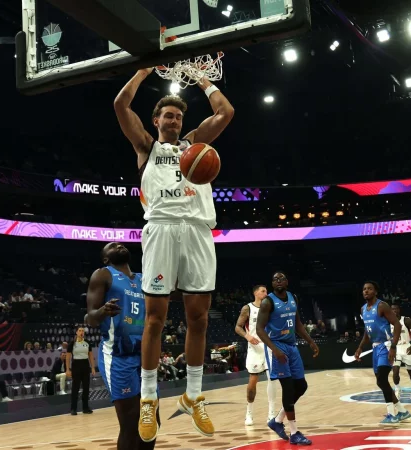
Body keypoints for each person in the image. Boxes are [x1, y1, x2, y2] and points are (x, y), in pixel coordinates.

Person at [114, 66, 235, 442]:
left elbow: (225, 113)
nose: (174, 119)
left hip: (199, 230)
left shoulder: (195, 143)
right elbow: (121, 104)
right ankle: (149, 399)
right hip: (162, 230)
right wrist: (143, 69)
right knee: (155, 319)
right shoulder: (146, 147)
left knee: (198, 318)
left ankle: (193, 394)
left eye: (179, 115)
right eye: (168, 115)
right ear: (156, 120)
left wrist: (201, 78)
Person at [84, 242, 159, 450]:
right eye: (112, 246)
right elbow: (89, 318)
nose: (118, 245)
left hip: (144, 357)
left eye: (120, 244)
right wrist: (103, 311)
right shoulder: (103, 274)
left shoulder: (145, 278)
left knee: (152, 422)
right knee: (131, 423)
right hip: (118, 355)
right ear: (106, 258)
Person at [255, 272, 319, 445]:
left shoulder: (293, 297)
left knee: (302, 386)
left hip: (291, 346)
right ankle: (294, 432)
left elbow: (297, 323)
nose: (278, 281)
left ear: (287, 282)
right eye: (275, 279)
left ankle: (277, 421)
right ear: (272, 283)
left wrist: (311, 341)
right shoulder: (268, 302)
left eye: (281, 278)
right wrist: (274, 349)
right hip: (277, 346)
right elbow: (259, 329)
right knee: (288, 389)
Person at [355, 281, 411, 424]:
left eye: (369, 289)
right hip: (375, 348)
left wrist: (393, 346)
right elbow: (368, 332)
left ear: (375, 292)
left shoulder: (382, 306)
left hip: (386, 346)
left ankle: (391, 415)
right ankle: (402, 411)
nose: (366, 291)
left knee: (381, 379)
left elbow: (397, 325)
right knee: (381, 382)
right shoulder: (363, 310)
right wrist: (360, 347)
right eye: (364, 289)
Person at [234, 284, 278, 426]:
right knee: (252, 383)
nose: (266, 293)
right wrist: (248, 337)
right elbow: (238, 327)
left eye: (266, 291)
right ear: (255, 293)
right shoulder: (248, 308)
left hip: (269, 347)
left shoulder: (271, 308)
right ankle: (249, 412)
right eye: (263, 291)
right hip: (254, 348)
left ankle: (271, 413)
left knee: (272, 380)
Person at [390, 304, 411, 400]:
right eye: (392, 309)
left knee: (410, 372)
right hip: (396, 348)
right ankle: (397, 389)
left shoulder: (406, 320)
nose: (394, 310)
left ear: (399, 309)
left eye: (396, 308)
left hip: (406, 346)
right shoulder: (388, 321)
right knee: (395, 371)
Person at [67, 326, 95, 415]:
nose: (81, 332)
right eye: (79, 331)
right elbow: (68, 357)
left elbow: (90, 356)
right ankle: (73, 409)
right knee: (75, 388)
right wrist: (68, 369)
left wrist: (93, 367)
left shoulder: (87, 343)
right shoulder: (72, 343)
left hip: (85, 365)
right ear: (76, 332)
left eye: (83, 331)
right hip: (76, 366)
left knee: (86, 388)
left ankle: (85, 408)